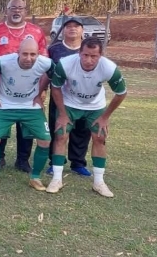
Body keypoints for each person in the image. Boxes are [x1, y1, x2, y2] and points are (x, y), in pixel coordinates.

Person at [47, 38, 127, 197]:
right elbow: (55, 88)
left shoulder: (109, 68)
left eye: (94, 56)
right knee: (61, 135)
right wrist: (62, 114)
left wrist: (105, 117)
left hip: (95, 106)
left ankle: (99, 182)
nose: (89, 60)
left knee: (99, 138)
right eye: (85, 55)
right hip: (69, 104)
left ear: (101, 55)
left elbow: (121, 93)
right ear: (79, 53)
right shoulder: (66, 64)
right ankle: (56, 179)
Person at [0, 0, 47, 172]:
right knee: (1, 123)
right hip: (1, 88)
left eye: (20, 8)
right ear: (7, 10)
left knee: (27, 125)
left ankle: (23, 160)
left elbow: (44, 63)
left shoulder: (36, 32)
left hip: (29, 88)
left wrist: (42, 91)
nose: (16, 11)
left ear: (25, 11)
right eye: (13, 8)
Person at [0, 39, 53, 191]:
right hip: (4, 105)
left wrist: (40, 92)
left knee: (45, 140)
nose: (29, 58)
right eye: (25, 54)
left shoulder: (46, 63)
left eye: (33, 54)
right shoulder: (3, 62)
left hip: (30, 106)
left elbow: (51, 75)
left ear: (38, 54)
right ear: (18, 53)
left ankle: (35, 178)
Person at [47, 17, 92, 177]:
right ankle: (55, 162)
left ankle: (78, 163)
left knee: (81, 131)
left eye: (76, 26)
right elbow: (47, 72)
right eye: (68, 26)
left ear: (82, 30)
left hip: (83, 98)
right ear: (63, 30)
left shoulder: (88, 48)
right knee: (57, 130)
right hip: (59, 97)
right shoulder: (54, 49)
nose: (72, 29)